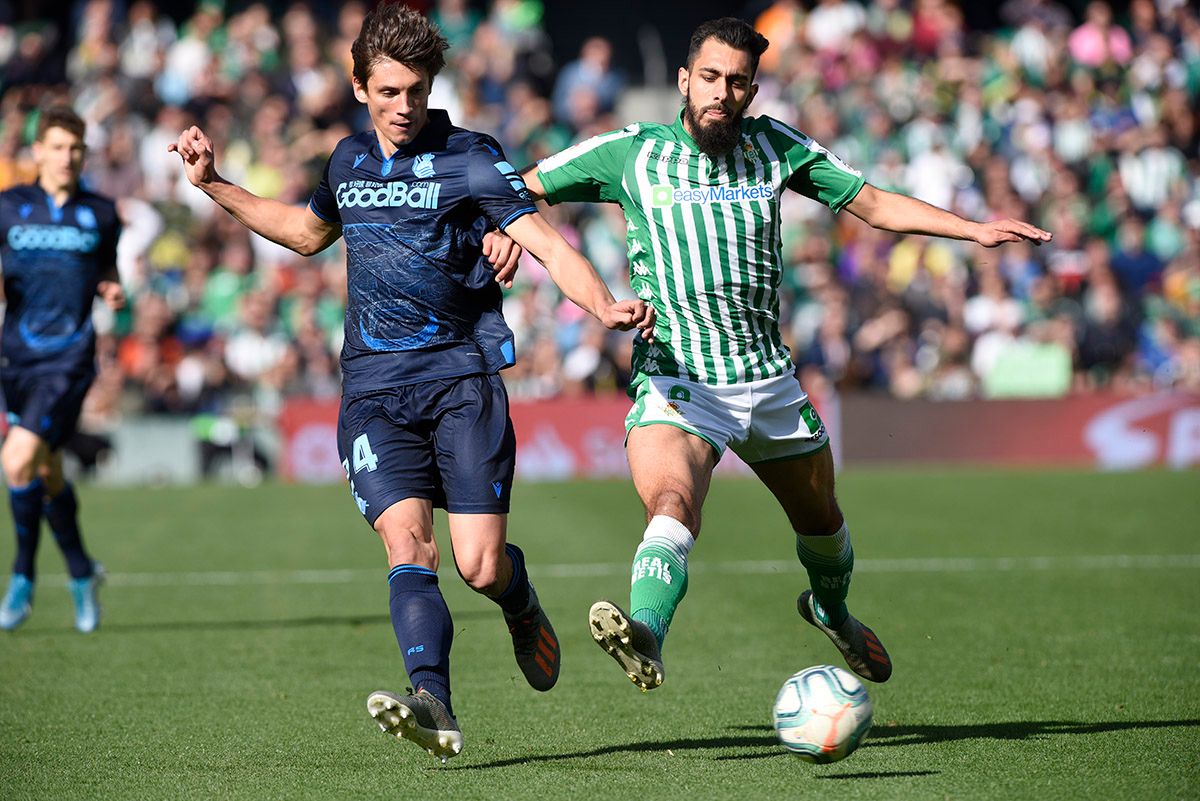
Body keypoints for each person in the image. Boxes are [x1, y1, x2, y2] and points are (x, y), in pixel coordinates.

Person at [169, 5, 652, 761]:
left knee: (480, 564)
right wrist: (214, 184)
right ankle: (432, 699)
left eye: (416, 91)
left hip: (462, 381)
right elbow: (303, 234)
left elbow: (545, 244)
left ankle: (518, 601)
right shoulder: (345, 162)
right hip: (372, 391)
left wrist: (602, 304)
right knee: (407, 543)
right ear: (359, 84)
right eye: (388, 90)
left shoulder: (469, 158)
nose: (403, 107)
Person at [520, 17, 1052, 691]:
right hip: (678, 380)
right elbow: (516, 188)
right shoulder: (632, 153)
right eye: (709, 77)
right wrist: (513, 238)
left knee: (822, 521)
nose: (722, 92)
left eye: (736, 81)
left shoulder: (775, 147)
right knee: (674, 502)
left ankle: (831, 610)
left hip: (767, 380)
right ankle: (646, 632)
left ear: (752, 90)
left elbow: (875, 204)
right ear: (685, 81)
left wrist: (972, 230)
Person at [0, 106, 126, 633]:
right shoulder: (9, 207)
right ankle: (80, 572)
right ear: (38, 152)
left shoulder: (100, 212)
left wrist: (110, 285)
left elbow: (107, 265)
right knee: (46, 472)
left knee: (17, 461)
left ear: (84, 154)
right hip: (16, 357)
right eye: (56, 146)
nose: (66, 156)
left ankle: (22, 575)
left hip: (70, 358)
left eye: (75, 148)